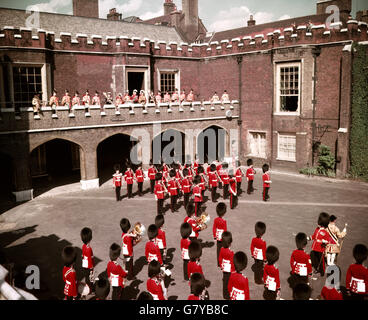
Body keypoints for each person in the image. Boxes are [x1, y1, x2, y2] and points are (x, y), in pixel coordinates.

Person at [308, 212, 331, 276]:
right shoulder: (317, 229)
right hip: (315, 246)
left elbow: (328, 240)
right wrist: (309, 238)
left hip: (320, 248)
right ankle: (317, 268)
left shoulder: (325, 232)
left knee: (321, 261)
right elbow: (314, 236)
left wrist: (324, 241)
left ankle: (322, 271)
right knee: (314, 258)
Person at [219, 231, 235, 300]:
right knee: (229, 283)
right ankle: (228, 295)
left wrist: (221, 266)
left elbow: (220, 258)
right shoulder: (231, 253)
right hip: (229, 270)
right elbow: (232, 263)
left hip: (224, 268)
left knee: (225, 282)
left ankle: (224, 294)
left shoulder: (222, 249)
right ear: (230, 243)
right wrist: (233, 271)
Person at [80, 227, 94, 294]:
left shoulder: (83, 246)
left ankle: (88, 286)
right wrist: (91, 267)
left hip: (84, 264)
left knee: (86, 276)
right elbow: (90, 259)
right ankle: (90, 290)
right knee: (90, 278)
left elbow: (83, 256)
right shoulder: (89, 249)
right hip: (89, 265)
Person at [213, 202, 227, 267]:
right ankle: (221, 262)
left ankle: (218, 263)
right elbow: (225, 230)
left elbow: (214, 228)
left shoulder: (216, 220)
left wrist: (214, 236)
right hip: (223, 237)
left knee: (218, 250)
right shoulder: (224, 221)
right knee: (223, 250)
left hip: (218, 236)